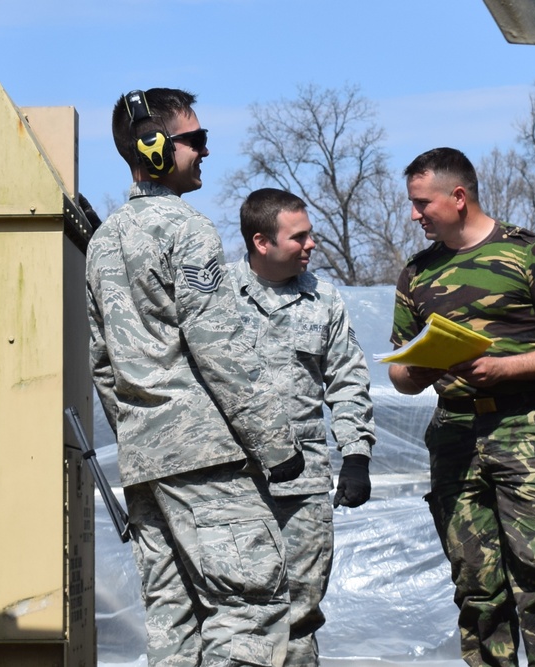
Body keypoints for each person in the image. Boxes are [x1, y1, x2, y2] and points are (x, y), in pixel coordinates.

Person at [86, 88, 304, 667]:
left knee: (173, 617)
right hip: (205, 458)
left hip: (145, 462)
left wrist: (140, 432)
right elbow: (219, 349)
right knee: (250, 606)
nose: (206, 151)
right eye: (196, 140)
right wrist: (277, 444)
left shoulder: (103, 241)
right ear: (155, 148)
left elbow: (103, 364)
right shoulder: (189, 231)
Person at [387, 148, 535, 667]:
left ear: (458, 197)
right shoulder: (416, 275)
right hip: (455, 436)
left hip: (525, 431)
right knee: (477, 590)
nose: (415, 215)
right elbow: (397, 371)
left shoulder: (530, 254)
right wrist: (420, 368)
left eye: (422, 204)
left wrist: (506, 368)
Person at [226, 188, 375, 667]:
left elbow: (348, 380)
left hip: (303, 488)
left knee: (300, 613)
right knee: (237, 615)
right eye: (300, 236)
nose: (312, 244)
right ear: (262, 242)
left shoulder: (324, 299)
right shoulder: (217, 296)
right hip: (232, 486)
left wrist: (355, 457)